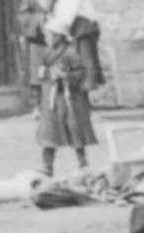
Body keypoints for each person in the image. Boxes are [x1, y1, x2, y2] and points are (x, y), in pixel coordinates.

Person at [36, 18, 99, 178]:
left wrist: (66, 76)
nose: (46, 38)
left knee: (74, 130)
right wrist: (45, 74)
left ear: (58, 36)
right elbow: (43, 71)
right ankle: (47, 166)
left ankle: (82, 163)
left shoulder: (70, 52)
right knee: (49, 132)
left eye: (49, 35)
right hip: (51, 99)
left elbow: (81, 72)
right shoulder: (48, 53)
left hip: (68, 98)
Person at [52, 0, 104, 88]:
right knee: (86, 61)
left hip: (87, 26)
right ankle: (86, 90)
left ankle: (88, 89)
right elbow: (69, 7)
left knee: (89, 61)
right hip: (82, 27)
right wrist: (63, 28)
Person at [15, 0, 57, 104]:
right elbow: (23, 16)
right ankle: (37, 105)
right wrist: (40, 18)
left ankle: (52, 103)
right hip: (37, 39)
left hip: (52, 39)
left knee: (52, 70)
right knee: (37, 72)